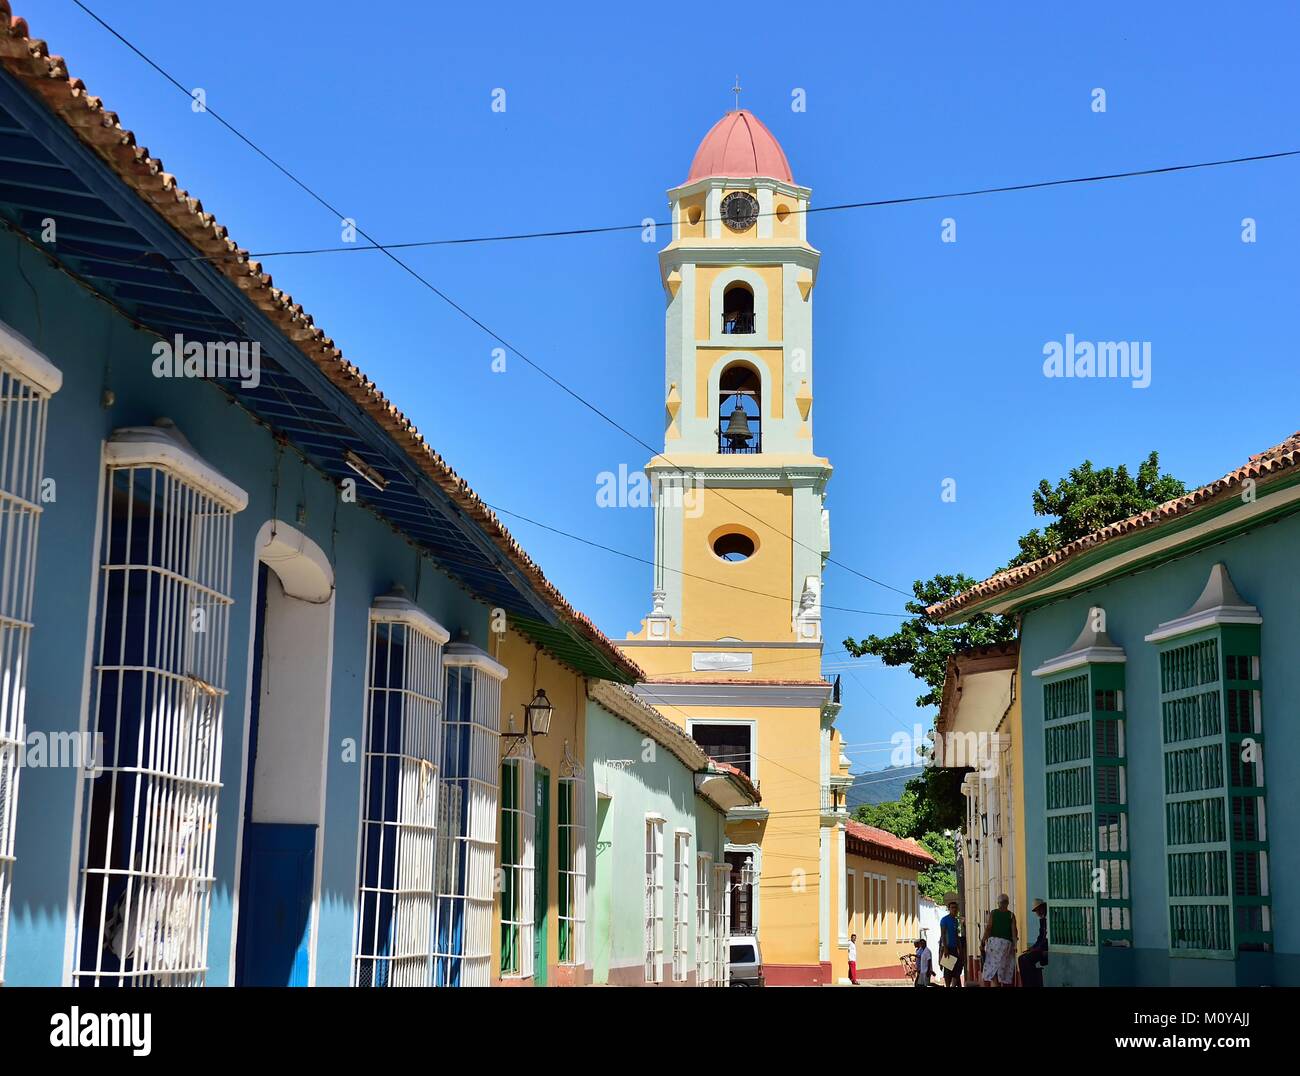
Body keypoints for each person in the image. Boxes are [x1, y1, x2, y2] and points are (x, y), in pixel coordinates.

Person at [980, 893, 1018, 987]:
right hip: (1007, 945)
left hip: (994, 944)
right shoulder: (1011, 915)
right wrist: (1015, 946)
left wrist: (983, 940)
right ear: (1008, 903)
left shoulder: (993, 913)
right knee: (1004, 970)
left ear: (998, 903)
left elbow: (988, 927)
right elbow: (1014, 932)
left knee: (993, 970)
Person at [1018, 897, 1049, 988]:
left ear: (1043, 907)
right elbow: (1040, 937)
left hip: (1046, 948)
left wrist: (1036, 949)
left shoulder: (1049, 917)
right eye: (1036, 911)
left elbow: (1046, 939)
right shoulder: (1042, 919)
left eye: (1038, 910)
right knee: (1021, 958)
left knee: (1027, 959)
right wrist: (1032, 948)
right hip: (1040, 947)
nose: (1037, 912)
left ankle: (1032, 983)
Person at [938, 893, 963, 987]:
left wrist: (960, 948)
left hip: (954, 948)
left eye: (956, 907)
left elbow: (956, 935)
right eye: (952, 907)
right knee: (948, 971)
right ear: (949, 909)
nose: (954, 909)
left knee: (956, 971)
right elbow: (943, 934)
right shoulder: (944, 920)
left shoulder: (955, 921)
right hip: (947, 948)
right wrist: (945, 948)